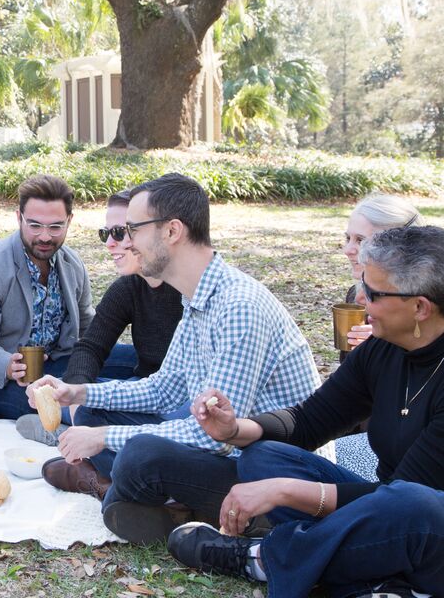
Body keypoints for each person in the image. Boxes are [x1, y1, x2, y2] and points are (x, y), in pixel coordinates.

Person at [29, 173, 322, 545]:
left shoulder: (239, 306)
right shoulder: (197, 296)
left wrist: (103, 438)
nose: (127, 242)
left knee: (139, 454)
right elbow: (164, 390)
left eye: (133, 229)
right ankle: (156, 500)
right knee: (91, 416)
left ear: (172, 231)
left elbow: (216, 438)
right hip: (226, 457)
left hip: (269, 471)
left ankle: (140, 495)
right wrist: (79, 393)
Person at [168, 226, 444, 598]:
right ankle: (368, 577)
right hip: (385, 512)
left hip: (426, 524)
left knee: (412, 504)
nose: (360, 297)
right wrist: (235, 430)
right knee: (263, 457)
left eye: (374, 293)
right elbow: (310, 420)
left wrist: (286, 491)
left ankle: (265, 558)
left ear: (420, 308)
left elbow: (408, 499)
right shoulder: (383, 348)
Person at [17, 189, 186, 443]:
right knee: (68, 393)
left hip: (179, 405)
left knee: (90, 404)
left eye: (119, 233)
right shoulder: (129, 286)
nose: (109, 243)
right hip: (147, 390)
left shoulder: (189, 289)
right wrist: (75, 400)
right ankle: (78, 431)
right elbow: (90, 347)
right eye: (105, 234)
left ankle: (80, 439)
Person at [0, 175, 95, 419]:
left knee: (134, 364)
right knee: (76, 405)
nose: (44, 236)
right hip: (0, 382)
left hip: (60, 362)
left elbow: (87, 324)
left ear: (70, 221)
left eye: (55, 227)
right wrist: (9, 366)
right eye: (35, 225)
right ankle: (79, 424)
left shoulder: (72, 263)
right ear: (18, 217)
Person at [335, 193, 423, 480]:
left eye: (361, 241)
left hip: (413, 453)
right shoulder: (355, 298)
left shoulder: (426, 304)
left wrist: (392, 343)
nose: (349, 250)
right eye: (348, 238)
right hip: (366, 430)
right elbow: (345, 401)